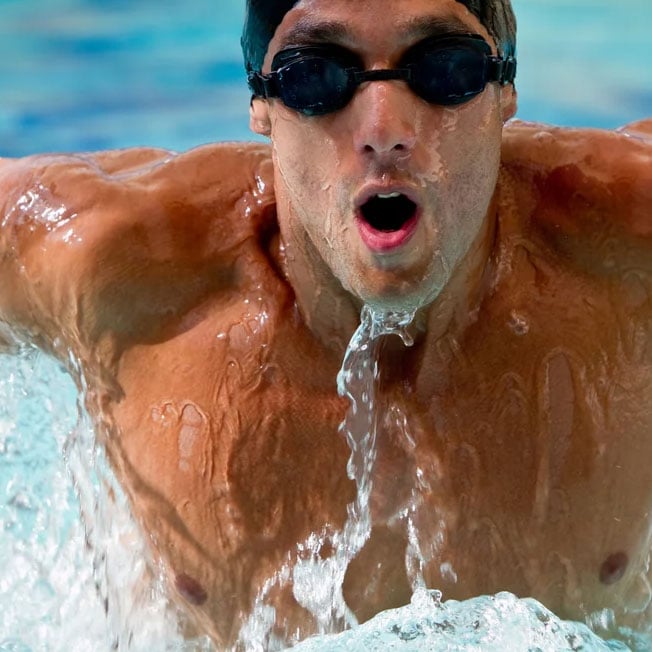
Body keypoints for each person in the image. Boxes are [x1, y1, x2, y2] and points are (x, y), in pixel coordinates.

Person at [1, 0, 651, 647]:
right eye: (317, 78)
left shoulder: (625, 241)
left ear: (503, 86)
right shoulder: (113, 265)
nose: (385, 130)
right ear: (262, 102)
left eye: (444, 69)